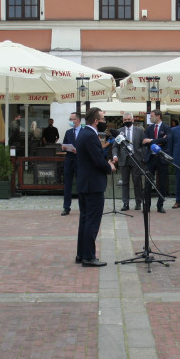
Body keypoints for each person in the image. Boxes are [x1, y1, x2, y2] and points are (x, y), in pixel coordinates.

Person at [76, 107, 115, 267]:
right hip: (93, 185)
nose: (105, 122)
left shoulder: (83, 133)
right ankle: (89, 257)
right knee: (92, 221)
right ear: (96, 121)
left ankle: (82, 254)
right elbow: (97, 160)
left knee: (85, 220)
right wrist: (109, 167)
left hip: (85, 183)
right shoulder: (90, 135)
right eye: (103, 119)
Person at [111, 111, 144, 211]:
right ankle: (125, 203)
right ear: (123, 120)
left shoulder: (139, 131)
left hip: (136, 159)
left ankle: (138, 203)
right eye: (125, 120)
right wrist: (115, 155)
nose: (127, 121)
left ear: (133, 120)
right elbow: (115, 146)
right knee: (124, 182)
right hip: (123, 160)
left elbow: (143, 146)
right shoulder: (119, 131)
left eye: (129, 119)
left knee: (137, 182)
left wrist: (142, 156)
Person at [142, 109, 169, 214]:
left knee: (162, 183)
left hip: (162, 158)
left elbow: (167, 140)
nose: (150, 118)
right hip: (151, 158)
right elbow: (145, 142)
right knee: (148, 182)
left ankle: (160, 205)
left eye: (152, 116)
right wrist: (158, 141)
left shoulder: (166, 128)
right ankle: (146, 206)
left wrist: (152, 141)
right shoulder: (149, 128)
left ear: (158, 116)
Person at [60, 112, 82, 216]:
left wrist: (79, 151)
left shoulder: (84, 131)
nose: (70, 121)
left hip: (80, 161)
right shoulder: (68, 132)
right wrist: (65, 147)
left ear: (77, 120)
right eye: (70, 118)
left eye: (71, 119)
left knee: (81, 185)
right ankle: (66, 207)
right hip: (69, 160)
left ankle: (83, 206)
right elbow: (64, 145)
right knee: (67, 185)